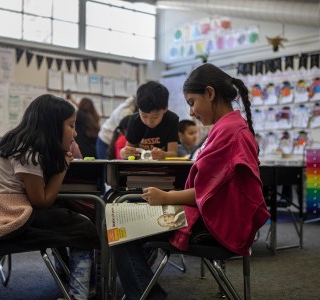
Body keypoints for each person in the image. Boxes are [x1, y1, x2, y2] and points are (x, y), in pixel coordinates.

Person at [111, 63, 270, 300]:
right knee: (126, 218)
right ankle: (144, 290)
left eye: (192, 102)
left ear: (210, 93)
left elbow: (207, 193)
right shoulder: (229, 127)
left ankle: (148, 295)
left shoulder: (228, 132)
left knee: (118, 225)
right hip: (217, 217)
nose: (191, 112)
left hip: (213, 223)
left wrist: (166, 197)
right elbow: (212, 189)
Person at [0, 94, 99, 300]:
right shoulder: (29, 153)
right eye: (71, 126)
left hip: (5, 208)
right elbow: (41, 202)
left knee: (67, 213)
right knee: (83, 225)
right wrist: (63, 167)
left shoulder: (24, 145)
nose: (75, 132)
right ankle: (79, 295)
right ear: (52, 127)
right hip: (7, 215)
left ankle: (72, 280)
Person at [120, 81, 179, 160]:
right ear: (139, 109)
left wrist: (163, 155)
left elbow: (173, 153)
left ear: (165, 109)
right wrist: (124, 153)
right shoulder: (134, 121)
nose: (149, 121)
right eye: (144, 115)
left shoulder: (172, 120)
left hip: (163, 166)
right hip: (138, 166)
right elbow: (127, 149)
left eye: (155, 116)